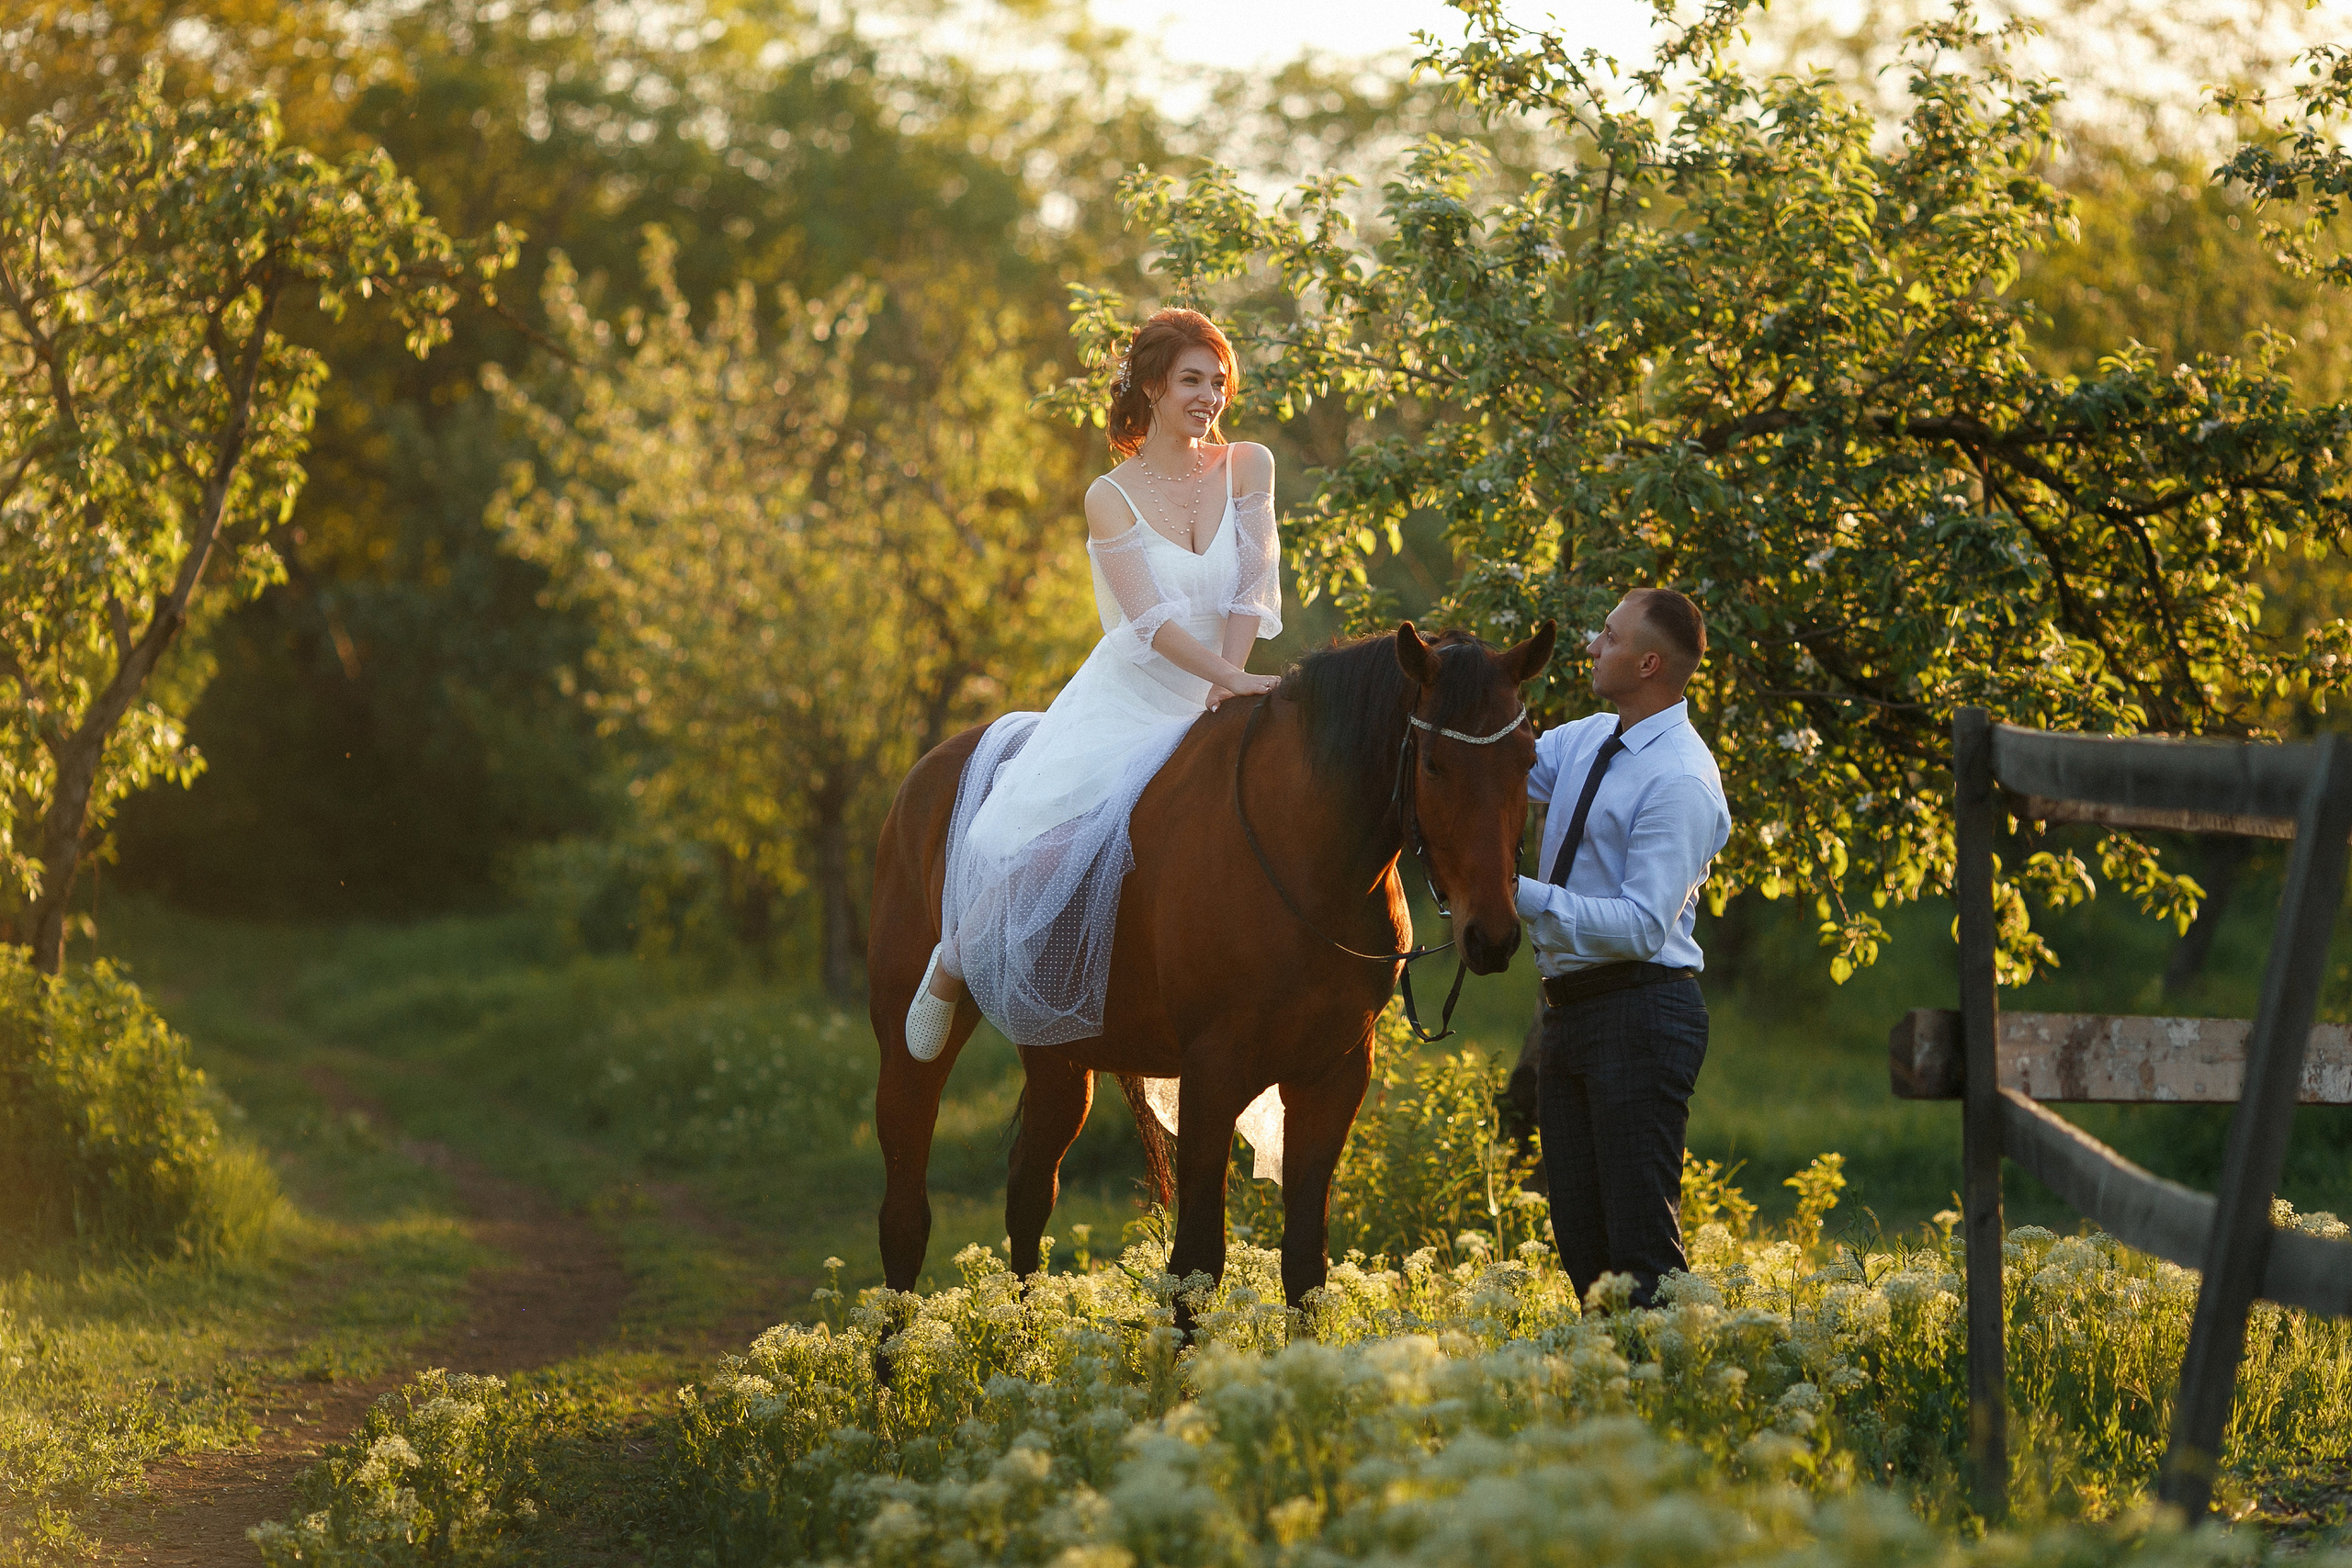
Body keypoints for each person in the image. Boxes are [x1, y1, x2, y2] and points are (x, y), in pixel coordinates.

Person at [904, 309, 1284, 1061]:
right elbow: (1149, 620)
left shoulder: (1250, 464)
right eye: (1191, 380)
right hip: (1135, 697)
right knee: (1047, 848)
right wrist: (1225, 675)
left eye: (1218, 382)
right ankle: (952, 962)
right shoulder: (1109, 495)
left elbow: (1251, 587)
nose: (1209, 396)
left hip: (1225, 685)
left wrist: (1234, 680)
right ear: (1153, 386)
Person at [1516, 589, 1730, 1308]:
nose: (1591, 646)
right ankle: (1609, 1372)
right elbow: (1497, 763)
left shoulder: (1681, 778)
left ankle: (1671, 1372)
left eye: (1607, 636)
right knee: (1583, 1250)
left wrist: (1514, 893)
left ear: (1647, 663)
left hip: (1642, 1013)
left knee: (1641, 1254)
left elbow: (1642, 925)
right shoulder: (1586, 739)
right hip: (1569, 1012)